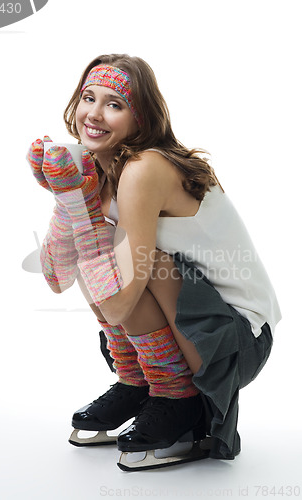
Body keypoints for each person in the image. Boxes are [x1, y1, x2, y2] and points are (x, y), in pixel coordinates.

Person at [27, 54, 281, 471]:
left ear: (140, 118)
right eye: (88, 97)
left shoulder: (145, 168)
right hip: (190, 328)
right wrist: (65, 195)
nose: (94, 113)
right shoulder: (96, 166)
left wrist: (81, 202)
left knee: (133, 256)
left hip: (234, 342)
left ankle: (176, 396)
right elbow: (58, 277)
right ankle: (137, 379)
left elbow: (118, 305)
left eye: (114, 104)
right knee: (107, 247)